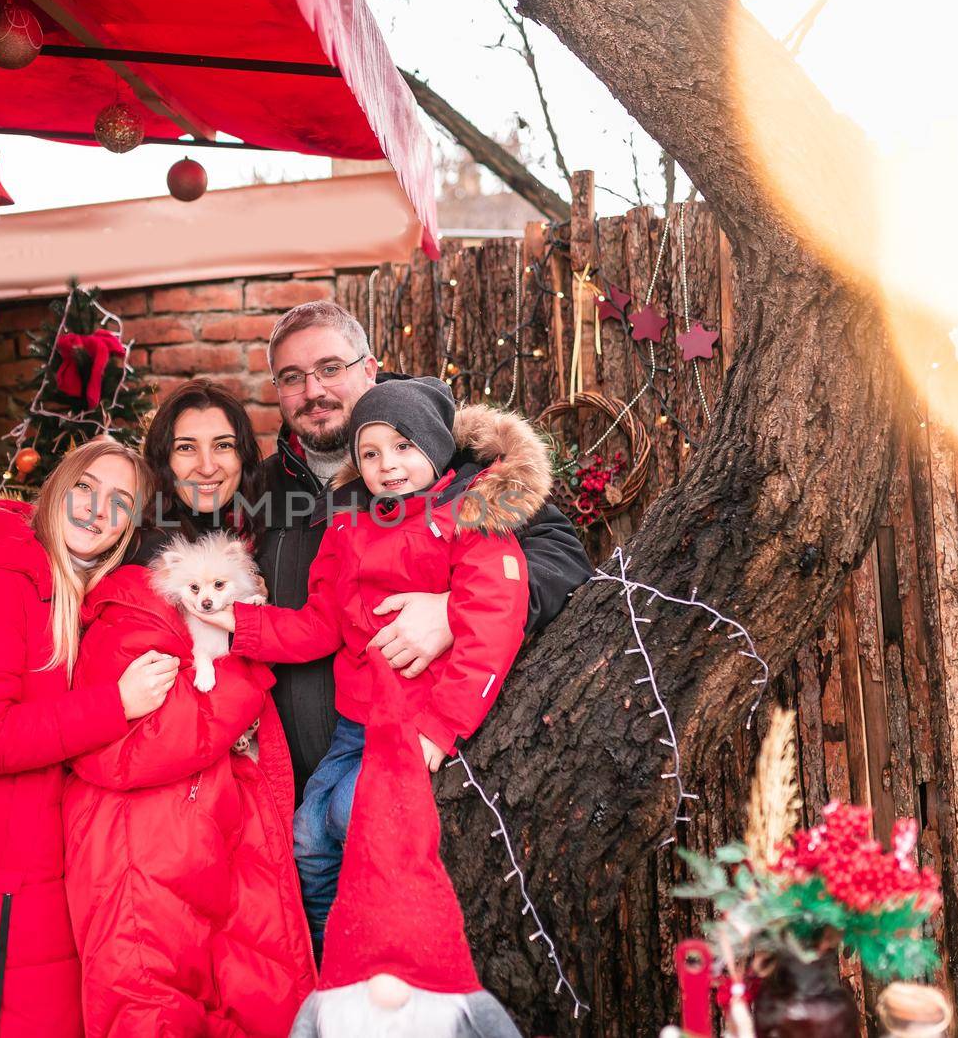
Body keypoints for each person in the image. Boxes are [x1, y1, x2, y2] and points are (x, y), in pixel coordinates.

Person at [208, 377, 550, 951]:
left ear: (437, 447)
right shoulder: (349, 525)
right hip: (353, 721)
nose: (387, 465)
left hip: (415, 719)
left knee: (347, 817)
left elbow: (491, 629)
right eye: (370, 453)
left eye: (403, 446)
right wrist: (241, 624)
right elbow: (322, 622)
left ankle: (375, 951)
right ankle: (328, 957)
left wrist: (441, 729)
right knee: (307, 836)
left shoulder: (471, 517)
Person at [255, 301, 592, 797]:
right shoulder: (261, 489)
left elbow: (562, 555)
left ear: (368, 368)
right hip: (306, 785)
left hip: (425, 764)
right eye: (291, 377)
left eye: (330, 368)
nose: (313, 391)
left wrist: (453, 613)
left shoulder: (452, 457)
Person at [62, 380, 316, 1038]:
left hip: (207, 822)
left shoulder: (236, 545)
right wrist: (248, 655)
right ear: (161, 464)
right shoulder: (141, 579)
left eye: (224, 445)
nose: (207, 463)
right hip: (150, 837)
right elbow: (144, 739)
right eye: (186, 447)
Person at [0, 440, 182, 1038]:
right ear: (57, 488)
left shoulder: (62, 592)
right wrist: (117, 704)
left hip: (36, 873)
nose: (95, 510)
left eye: (119, 502)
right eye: (85, 487)